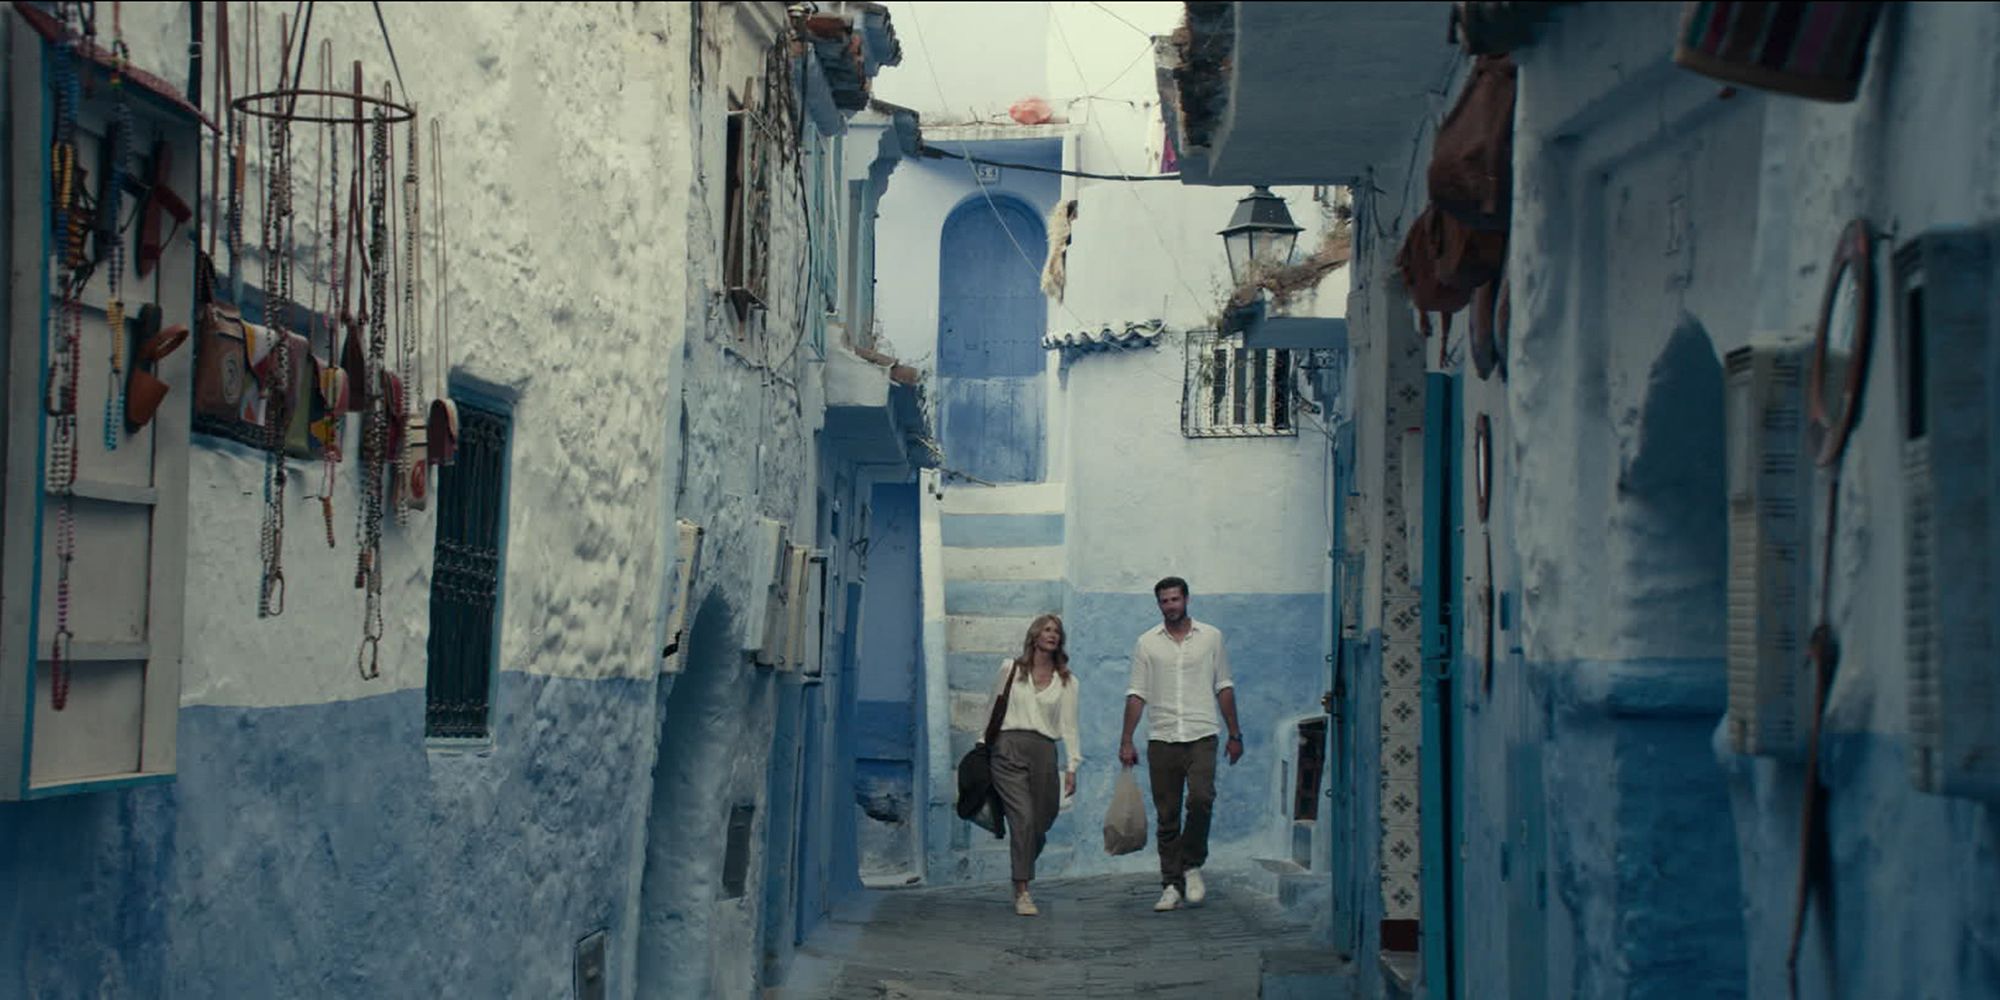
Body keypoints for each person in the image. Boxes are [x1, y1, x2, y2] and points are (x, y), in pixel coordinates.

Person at [1119, 576, 1242, 913]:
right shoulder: (1146, 643)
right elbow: (1136, 693)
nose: (1170, 606)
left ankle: (1191, 863)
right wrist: (1127, 739)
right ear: (1158, 604)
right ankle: (1171, 885)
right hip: (1162, 736)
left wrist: (1234, 733)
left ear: (1186, 599)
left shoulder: (1211, 638)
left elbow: (1224, 686)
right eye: (1164, 601)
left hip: (1202, 733)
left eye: (1175, 599)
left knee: (1202, 799)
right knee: (1167, 814)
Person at [987, 613, 1083, 916]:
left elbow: (1070, 726)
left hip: (1044, 751)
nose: (1052, 635)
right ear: (1035, 636)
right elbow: (992, 709)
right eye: (1046, 630)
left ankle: (1024, 859)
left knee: (1042, 820)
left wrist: (1072, 766)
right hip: (1008, 748)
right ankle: (1022, 890)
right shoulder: (1011, 669)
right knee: (1024, 819)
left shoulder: (1067, 680)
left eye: (1056, 631)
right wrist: (982, 748)